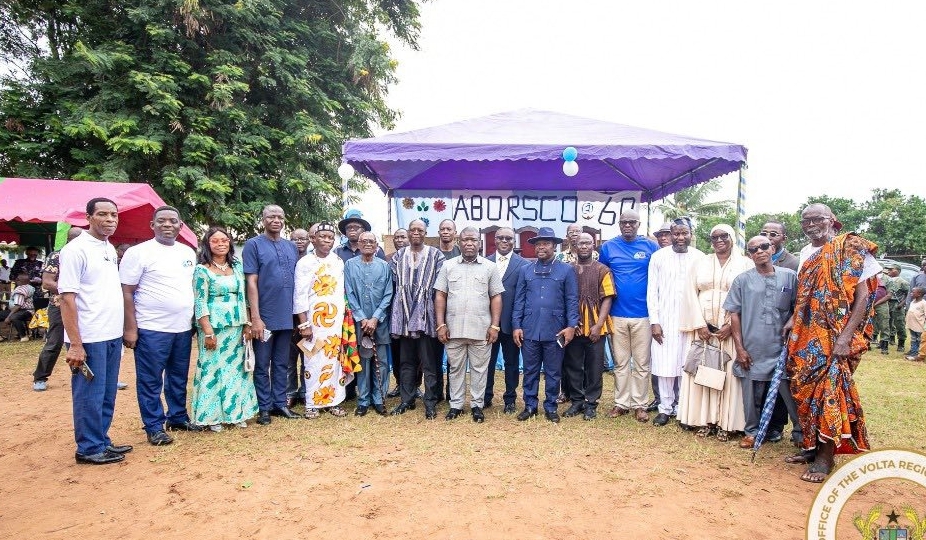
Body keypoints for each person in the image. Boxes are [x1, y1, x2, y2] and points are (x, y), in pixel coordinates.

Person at [786, 203, 878, 483]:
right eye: (806, 220)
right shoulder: (805, 253)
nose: (811, 224)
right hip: (807, 333)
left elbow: (864, 297)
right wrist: (793, 320)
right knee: (804, 388)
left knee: (830, 392)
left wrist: (846, 336)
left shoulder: (852, 247)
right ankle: (811, 447)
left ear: (832, 220)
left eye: (817, 219)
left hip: (837, 335)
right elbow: (805, 293)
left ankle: (826, 458)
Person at [58, 197, 131, 465]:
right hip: (89, 337)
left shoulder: (108, 248)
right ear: (89, 217)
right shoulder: (76, 250)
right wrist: (76, 344)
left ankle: (101, 439)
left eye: (114, 215)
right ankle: (88, 448)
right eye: (103, 214)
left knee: (107, 391)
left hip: (110, 334)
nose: (110, 219)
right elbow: (67, 298)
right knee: (89, 393)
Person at [120, 206, 201, 446]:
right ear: (152, 225)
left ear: (180, 225)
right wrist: (131, 328)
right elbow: (126, 292)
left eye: (173, 221)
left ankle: (177, 417)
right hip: (151, 328)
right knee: (150, 379)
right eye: (162, 221)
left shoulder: (188, 252)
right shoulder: (138, 253)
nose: (168, 225)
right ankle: (154, 426)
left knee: (178, 376)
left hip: (182, 328)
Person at [677, 224, 750, 440]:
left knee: (728, 375)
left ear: (732, 237)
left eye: (724, 236)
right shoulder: (700, 263)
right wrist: (699, 324)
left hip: (730, 330)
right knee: (704, 371)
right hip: (704, 330)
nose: (719, 240)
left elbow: (749, 296)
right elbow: (689, 293)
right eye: (714, 237)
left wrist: (732, 325)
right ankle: (705, 420)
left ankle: (726, 423)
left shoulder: (744, 263)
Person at [725, 236, 798, 448]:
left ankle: (800, 433)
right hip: (752, 347)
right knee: (751, 395)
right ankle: (752, 432)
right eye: (753, 249)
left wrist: (792, 320)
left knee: (789, 394)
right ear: (750, 255)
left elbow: (799, 306)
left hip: (782, 348)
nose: (759, 251)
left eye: (764, 246)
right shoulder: (742, 280)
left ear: (772, 248)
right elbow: (734, 314)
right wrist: (740, 348)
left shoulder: (790, 277)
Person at [190, 227, 258, 431]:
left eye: (224, 240)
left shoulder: (237, 266)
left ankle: (237, 414)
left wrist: (247, 323)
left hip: (236, 326)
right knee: (213, 371)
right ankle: (212, 417)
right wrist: (208, 331)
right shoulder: (202, 270)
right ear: (207, 244)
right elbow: (200, 302)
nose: (221, 244)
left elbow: (244, 296)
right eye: (215, 241)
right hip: (214, 329)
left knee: (237, 371)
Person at [434, 226, 504, 422]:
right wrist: (440, 325)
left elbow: (496, 297)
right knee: (455, 368)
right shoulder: (448, 266)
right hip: (453, 329)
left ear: (479, 243)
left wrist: (495, 326)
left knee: (480, 369)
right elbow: (440, 295)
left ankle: (477, 405)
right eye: (465, 240)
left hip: (481, 329)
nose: (469, 243)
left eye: (473, 240)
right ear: (459, 242)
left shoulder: (490, 267)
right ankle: (455, 405)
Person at [512, 227, 579, 423]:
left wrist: (571, 326)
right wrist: (516, 325)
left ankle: (551, 406)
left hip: (556, 330)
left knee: (553, 371)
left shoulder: (566, 270)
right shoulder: (526, 270)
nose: (541, 247)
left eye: (546, 244)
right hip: (530, 328)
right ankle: (530, 406)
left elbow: (572, 300)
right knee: (530, 370)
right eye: (538, 244)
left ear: (554, 246)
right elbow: (519, 301)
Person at [598, 209, 659, 421]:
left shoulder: (651, 246)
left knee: (642, 363)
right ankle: (621, 402)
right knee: (621, 363)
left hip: (644, 315)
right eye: (624, 222)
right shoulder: (608, 247)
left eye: (632, 222)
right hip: (616, 314)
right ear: (619, 224)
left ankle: (640, 404)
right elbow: (602, 276)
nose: (627, 225)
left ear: (638, 224)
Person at [243, 204, 300, 425]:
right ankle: (264, 407)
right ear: (263, 219)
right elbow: (251, 282)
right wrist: (255, 317)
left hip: (286, 316)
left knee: (282, 363)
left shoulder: (290, 246)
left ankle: (280, 404)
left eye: (280, 216)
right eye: (271, 216)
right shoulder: (253, 245)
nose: (276, 220)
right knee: (262, 363)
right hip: (264, 317)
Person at [647, 220, 705, 427]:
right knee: (664, 363)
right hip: (664, 319)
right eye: (676, 233)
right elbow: (652, 292)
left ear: (691, 234)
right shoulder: (658, 257)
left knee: (685, 363)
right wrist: (655, 321)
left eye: (684, 233)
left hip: (691, 320)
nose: (680, 237)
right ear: (670, 235)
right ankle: (665, 407)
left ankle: (683, 408)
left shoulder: (700, 257)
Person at [294, 222, 354, 418]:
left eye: (330, 237)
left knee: (336, 360)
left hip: (336, 323)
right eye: (323, 237)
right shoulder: (305, 263)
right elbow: (299, 295)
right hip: (313, 323)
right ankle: (312, 402)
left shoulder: (338, 261)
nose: (328, 241)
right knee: (312, 360)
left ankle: (335, 401)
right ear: (313, 239)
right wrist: (304, 324)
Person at [389, 219, 444, 419]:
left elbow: (440, 288)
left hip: (425, 315)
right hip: (403, 314)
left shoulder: (436, 255)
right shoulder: (398, 256)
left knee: (428, 362)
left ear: (425, 233)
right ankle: (407, 400)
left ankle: (430, 402)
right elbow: (395, 284)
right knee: (406, 361)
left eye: (419, 230)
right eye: (412, 230)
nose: (415, 233)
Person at [562, 233, 615, 420]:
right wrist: (571, 322)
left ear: (594, 245)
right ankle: (576, 401)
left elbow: (607, 297)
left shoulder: (603, 270)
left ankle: (591, 403)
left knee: (594, 367)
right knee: (573, 365)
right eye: (580, 243)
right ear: (574, 246)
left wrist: (598, 325)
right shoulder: (568, 269)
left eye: (587, 243)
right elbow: (563, 298)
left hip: (595, 327)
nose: (583, 246)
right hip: (574, 326)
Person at [344, 231, 394, 416]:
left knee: (380, 361)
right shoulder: (349, 265)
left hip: (379, 322)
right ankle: (363, 400)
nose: (367, 244)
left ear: (376, 245)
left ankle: (379, 399)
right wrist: (362, 318)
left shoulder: (384, 266)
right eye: (363, 241)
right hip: (359, 323)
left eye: (371, 241)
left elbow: (388, 294)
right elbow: (349, 291)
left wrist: (375, 318)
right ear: (358, 244)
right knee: (363, 361)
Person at [31, 227, 83, 390]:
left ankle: (84, 377)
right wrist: (71, 292)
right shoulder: (57, 255)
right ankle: (40, 377)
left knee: (86, 342)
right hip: (59, 304)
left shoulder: (85, 255)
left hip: (84, 306)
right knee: (55, 341)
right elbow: (47, 282)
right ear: (71, 239)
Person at [486, 226, 530, 413]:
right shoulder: (484, 262)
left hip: (512, 324)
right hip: (488, 323)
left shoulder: (524, 265)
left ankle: (510, 399)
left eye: (509, 238)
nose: (505, 241)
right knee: (486, 362)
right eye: (501, 238)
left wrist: (518, 324)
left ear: (515, 241)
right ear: (494, 240)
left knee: (512, 363)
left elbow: (524, 297)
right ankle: (485, 396)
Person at [286, 227, 311, 408]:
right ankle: (290, 392)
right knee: (289, 358)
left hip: (308, 317)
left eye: (303, 239)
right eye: (296, 239)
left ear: (309, 241)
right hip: (288, 317)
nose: (300, 242)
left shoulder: (312, 261)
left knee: (307, 357)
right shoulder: (287, 259)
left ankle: (305, 391)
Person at [387, 228, 411, 398]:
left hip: (413, 314)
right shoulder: (389, 260)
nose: (400, 240)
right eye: (397, 237)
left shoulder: (416, 258)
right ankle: (399, 383)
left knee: (414, 352)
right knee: (396, 351)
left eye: (403, 236)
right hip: (394, 314)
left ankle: (414, 385)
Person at [0, 274, 34, 342]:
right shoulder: (30, 287)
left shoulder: (20, 290)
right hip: (21, 310)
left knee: (14, 317)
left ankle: (23, 336)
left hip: (26, 311)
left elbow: (18, 306)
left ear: (18, 280)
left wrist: (8, 317)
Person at [884, 263, 909, 352]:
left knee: (899, 324)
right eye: (888, 269)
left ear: (897, 271)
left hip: (897, 304)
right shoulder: (887, 280)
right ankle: (886, 341)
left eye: (892, 269)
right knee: (886, 323)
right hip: (887, 303)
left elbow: (908, 294)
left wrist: (902, 304)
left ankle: (901, 343)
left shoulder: (903, 282)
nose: (889, 271)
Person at [873, 273, 892, 354]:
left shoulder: (887, 279)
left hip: (882, 305)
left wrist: (875, 304)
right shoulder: (869, 276)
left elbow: (889, 295)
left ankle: (884, 346)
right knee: (868, 324)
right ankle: (867, 343)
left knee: (884, 324)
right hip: (868, 303)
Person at [905, 287, 925, 361]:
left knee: (919, 340)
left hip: (919, 326)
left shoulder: (923, 303)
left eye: (913, 292)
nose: (911, 293)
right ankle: (913, 351)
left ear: (919, 294)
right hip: (911, 325)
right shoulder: (912, 302)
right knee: (913, 339)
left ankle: (918, 353)